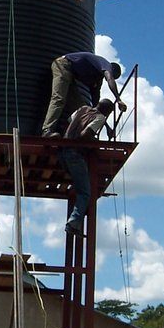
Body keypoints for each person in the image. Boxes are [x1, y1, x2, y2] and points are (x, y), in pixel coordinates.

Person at [58, 99, 115, 235]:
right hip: (75, 154)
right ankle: (73, 222)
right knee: (85, 193)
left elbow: (69, 120)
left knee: (81, 188)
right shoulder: (100, 118)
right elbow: (85, 135)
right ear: (107, 112)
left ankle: (77, 222)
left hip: (62, 151)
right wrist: (95, 141)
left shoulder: (83, 108)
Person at [41, 52, 127, 137]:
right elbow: (110, 79)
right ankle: (47, 130)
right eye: (112, 75)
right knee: (59, 98)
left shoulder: (97, 79)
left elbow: (96, 108)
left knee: (82, 108)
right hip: (63, 65)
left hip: (71, 76)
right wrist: (118, 99)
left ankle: (70, 134)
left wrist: (107, 127)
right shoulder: (106, 64)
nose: (108, 76)